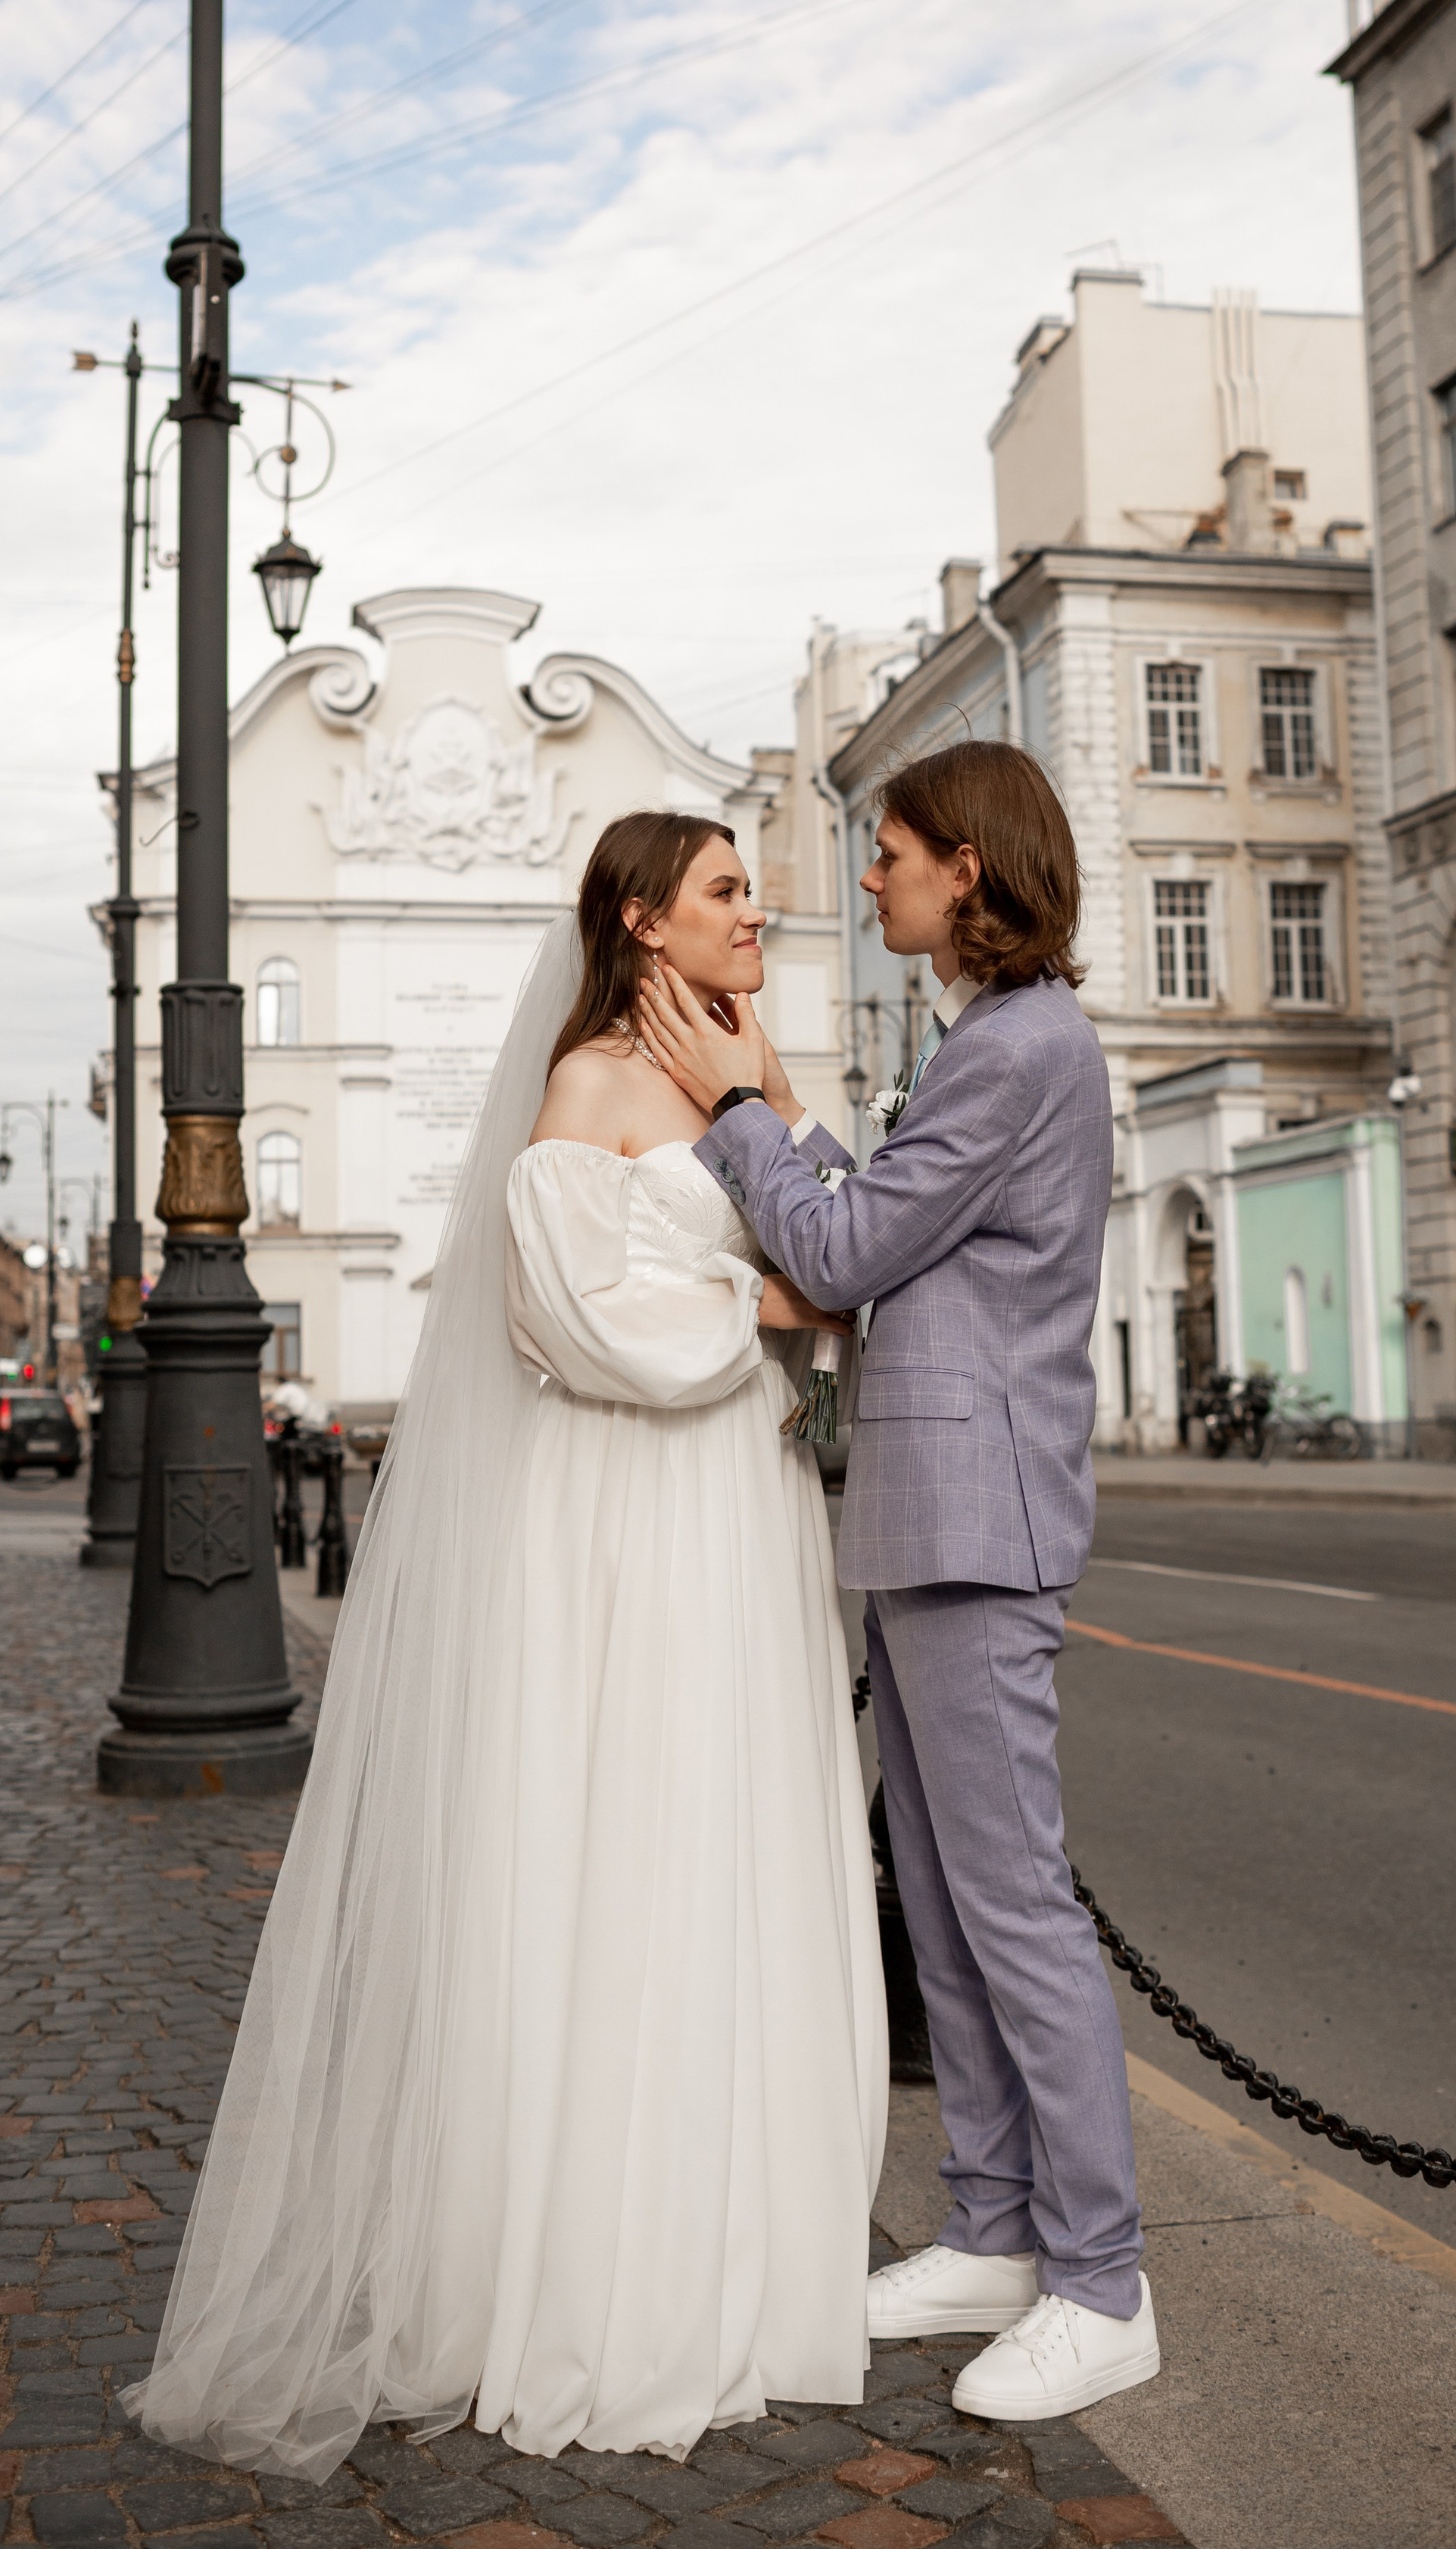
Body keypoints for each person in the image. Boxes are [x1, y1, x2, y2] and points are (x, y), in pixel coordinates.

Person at [123, 813, 884, 2479]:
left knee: (735, 1842)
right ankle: (595, 2266)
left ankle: (744, 2240)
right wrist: (780, 1312)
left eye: (752, 889)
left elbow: (850, 1249)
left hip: (743, 1513)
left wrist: (792, 1202)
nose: (756, 913)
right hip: (630, 1515)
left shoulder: (756, 1061)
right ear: (639, 919)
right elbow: (580, 1326)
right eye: (724, 892)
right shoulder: (591, 1086)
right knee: (628, 1845)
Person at [644, 738, 1157, 2428]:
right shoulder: (984, 1045)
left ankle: (1100, 2278)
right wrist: (785, 1110)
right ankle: (993, 2232)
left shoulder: (1018, 1050)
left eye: (890, 854)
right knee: (940, 1898)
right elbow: (882, 1210)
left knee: (1008, 1905)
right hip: (933, 1510)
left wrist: (730, 1114)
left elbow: (849, 1252)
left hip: (976, 1514)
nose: (866, 880)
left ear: (971, 870)